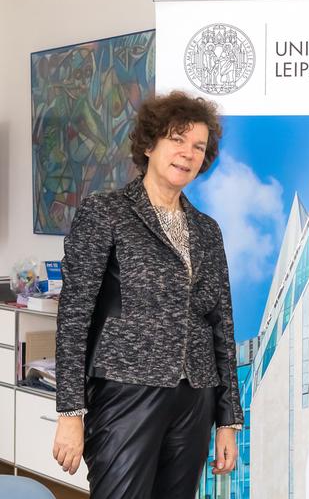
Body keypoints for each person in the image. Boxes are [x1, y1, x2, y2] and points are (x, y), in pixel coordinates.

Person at [53, 91, 243, 499]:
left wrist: (228, 420)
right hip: (126, 393)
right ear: (149, 143)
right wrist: (70, 411)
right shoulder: (105, 212)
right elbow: (74, 316)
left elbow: (221, 326)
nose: (187, 153)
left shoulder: (208, 230)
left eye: (198, 146)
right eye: (178, 139)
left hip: (195, 398)